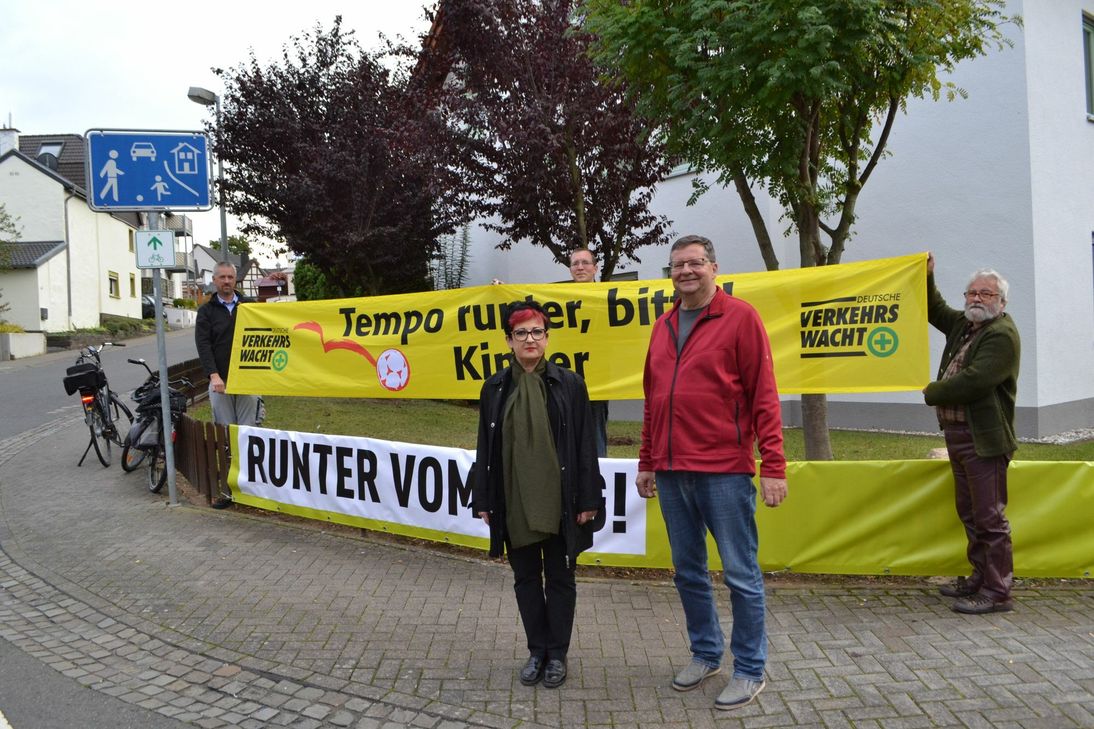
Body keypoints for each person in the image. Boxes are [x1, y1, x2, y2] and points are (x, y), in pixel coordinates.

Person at [636, 234, 787, 711]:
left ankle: (749, 668)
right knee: (688, 573)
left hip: (724, 471)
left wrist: (773, 465)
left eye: (695, 263)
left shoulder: (741, 318)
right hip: (671, 471)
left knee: (740, 574)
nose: (685, 271)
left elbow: (764, 396)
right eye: (677, 265)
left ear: (714, 268)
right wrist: (647, 460)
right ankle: (705, 654)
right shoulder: (662, 326)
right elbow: (653, 401)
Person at [471, 300, 604, 689]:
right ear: (508, 340)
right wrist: (484, 499)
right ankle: (537, 651)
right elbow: (485, 447)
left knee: (561, 579)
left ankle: (557, 654)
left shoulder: (570, 384)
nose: (530, 339)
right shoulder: (494, 388)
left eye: (536, 332)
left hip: (561, 501)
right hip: (513, 501)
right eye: (521, 333)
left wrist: (588, 498)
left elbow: (585, 444)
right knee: (526, 579)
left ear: (547, 337)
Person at [923, 253, 1020, 614]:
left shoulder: (1002, 335)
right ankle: (980, 578)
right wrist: (926, 275)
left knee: (990, 519)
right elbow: (934, 309)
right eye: (972, 293)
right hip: (959, 436)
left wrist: (932, 392)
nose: (977, 298)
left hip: (984, 441)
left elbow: (975, 381)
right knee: (971, 514)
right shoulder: (967, 325)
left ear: (1001, 301)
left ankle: (998, 592)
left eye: (986, 293)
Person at [195, 261, 260, 508]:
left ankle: (251, 487)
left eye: (230, 277)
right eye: (222, 277)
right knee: (226, 434)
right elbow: (204, 345)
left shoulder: (249, 307)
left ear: (235, 279)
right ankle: (229, 489)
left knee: (249, 432)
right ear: (214, 280)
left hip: (248, 380)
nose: (226, 281)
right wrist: (214, 376)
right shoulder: (206, 311)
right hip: (220, 382)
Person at [567, 249, 609, 458]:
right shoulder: (559, 298)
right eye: (575, 263)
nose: (580, 267)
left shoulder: (609, 297)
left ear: (595, 268)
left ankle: (598, 470)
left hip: (597, 378)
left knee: (595, 431)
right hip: (567, 374)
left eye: (585, 262)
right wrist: (503, 292)